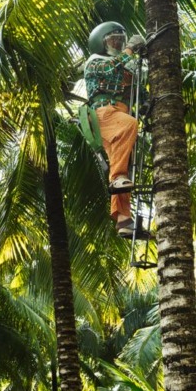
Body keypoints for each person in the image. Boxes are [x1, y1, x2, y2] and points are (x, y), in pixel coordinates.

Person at [84, 22, 144, 237]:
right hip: (104, 113)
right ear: (101, 43)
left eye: (120, 40)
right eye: (113, 40)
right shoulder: (95, 62)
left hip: (119, 114)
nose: (117, 44)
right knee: (130, 125)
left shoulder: (124, 66)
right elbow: (110, 69)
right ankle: (117, 178)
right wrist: (130, 50)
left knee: (124, 169)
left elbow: (140, 93)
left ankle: (123, 221)